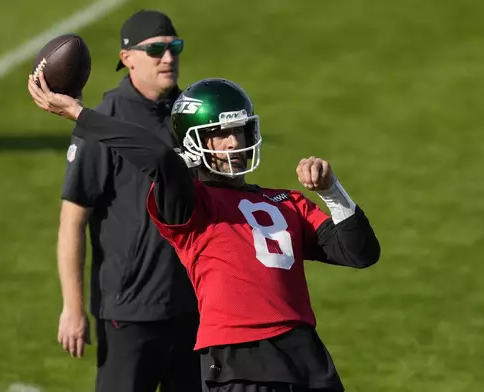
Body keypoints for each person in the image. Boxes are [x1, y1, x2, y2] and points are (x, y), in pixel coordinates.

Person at [29, 74, 381, 392]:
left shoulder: (286, 201)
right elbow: (161, 160)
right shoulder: (193, 205)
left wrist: (332, 191)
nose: (232, 143)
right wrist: (81, 114)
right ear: (194, 143)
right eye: (219, 134)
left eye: (238, 130)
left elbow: (360, 253)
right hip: (240, 363)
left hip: (308, 360)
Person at [55, 9, 201, 392]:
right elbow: (73, 219)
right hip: (130, 313)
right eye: (155, 50)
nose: (168, 58)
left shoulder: (190, 116)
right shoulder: (104, 123)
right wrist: (73, 307)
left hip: (195, 306)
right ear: (127, 59)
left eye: (174, 48)